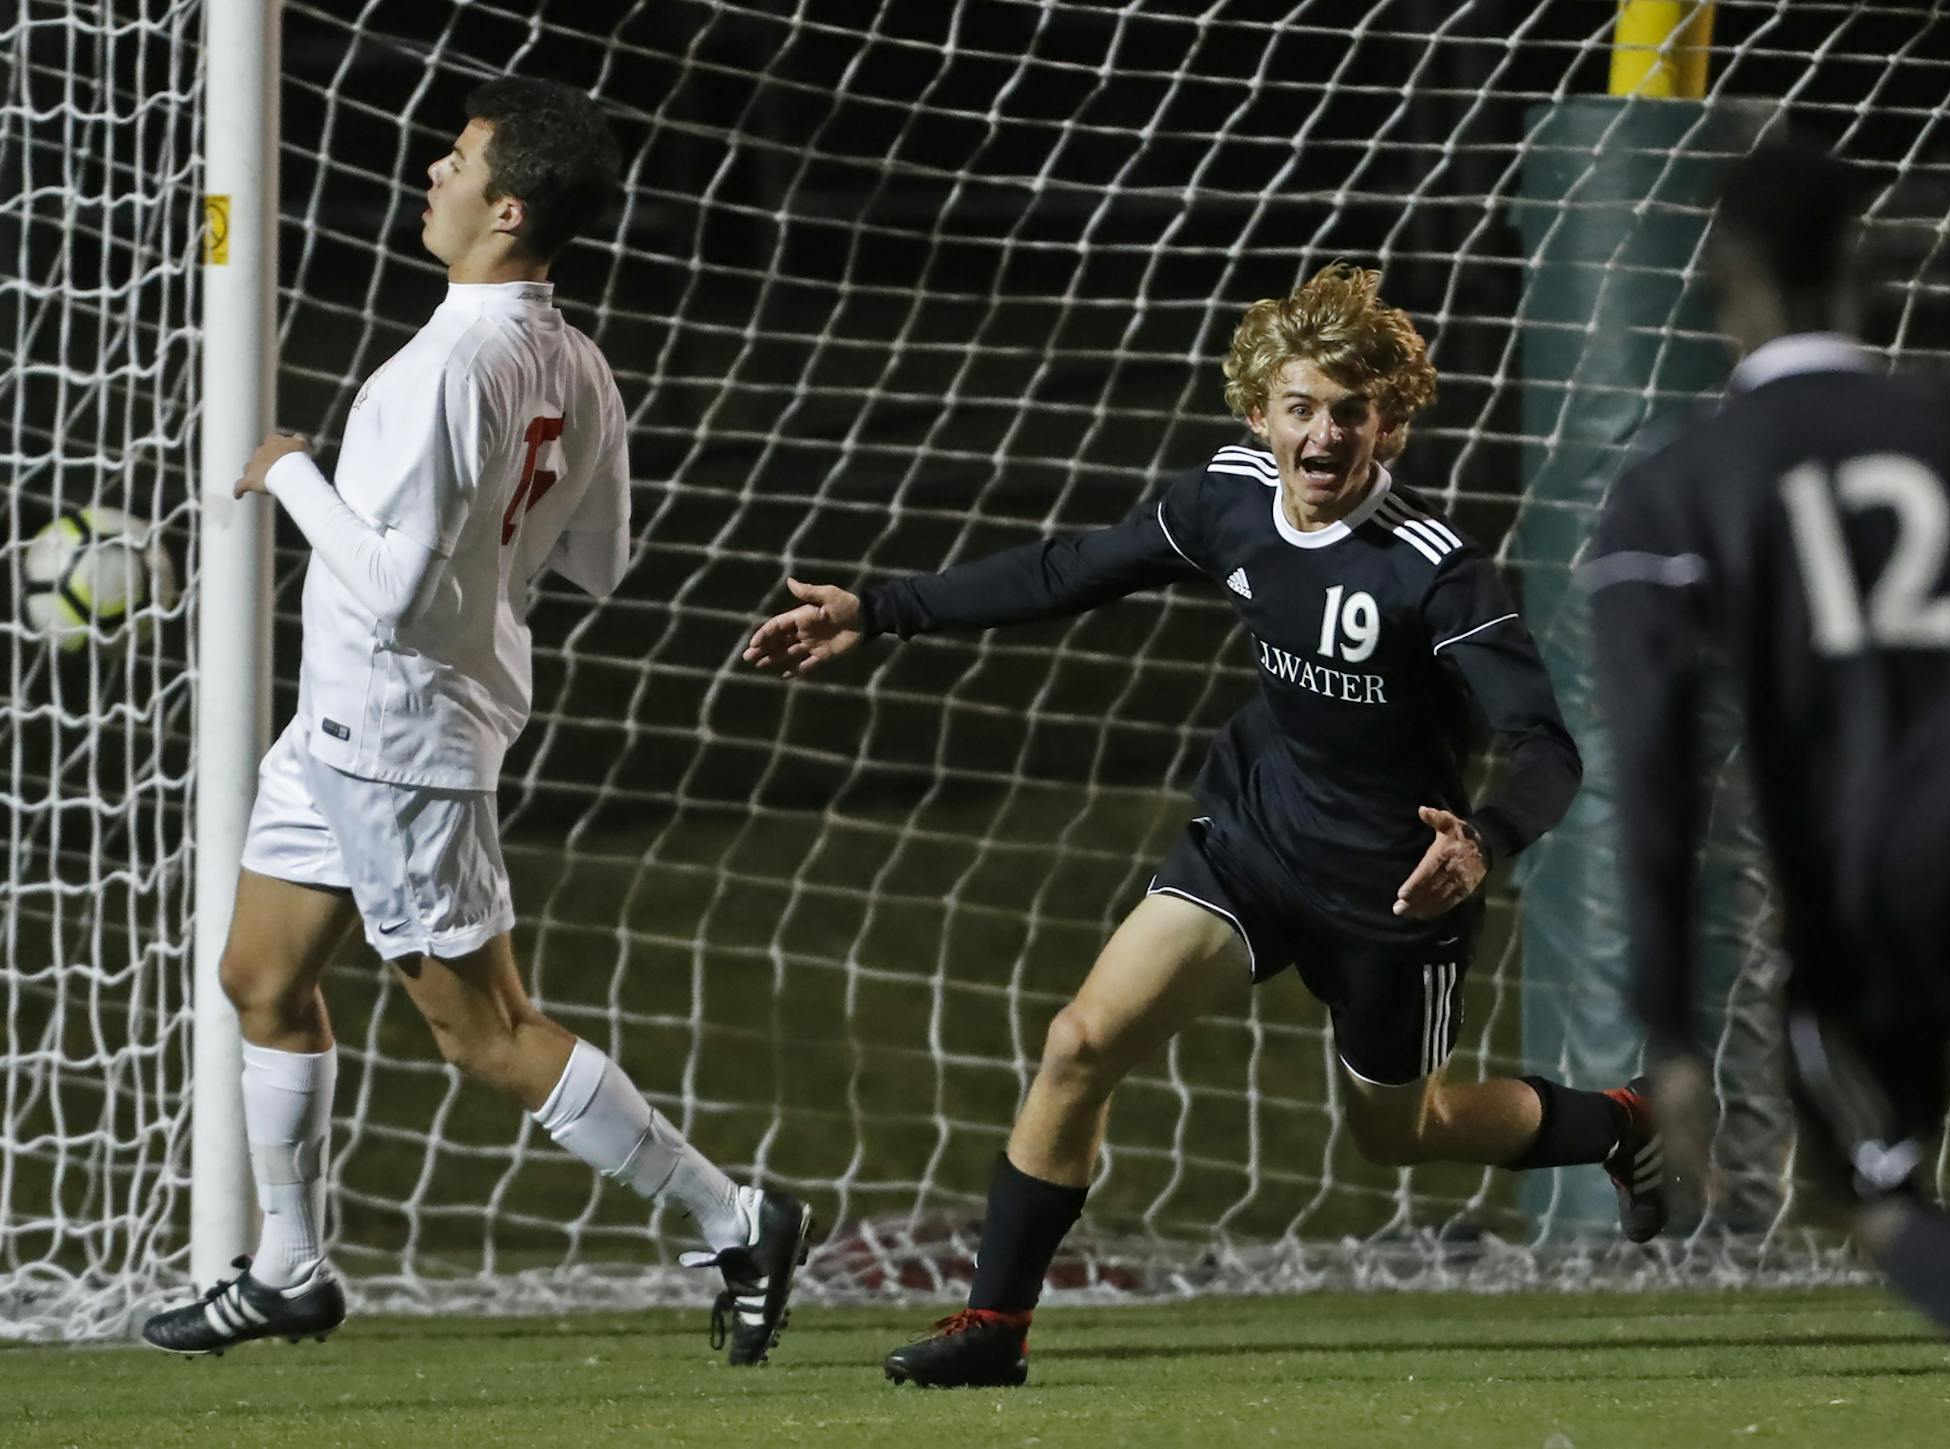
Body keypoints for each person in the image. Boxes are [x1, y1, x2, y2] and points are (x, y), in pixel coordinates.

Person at [746, 263, 1667, 1389]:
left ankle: (1621, 1121)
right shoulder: (1226, 499)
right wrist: (879, 609)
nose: (1323, 434)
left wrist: (1482, 840)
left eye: (1349, 411)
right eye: (1300, 407)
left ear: (1391, 422)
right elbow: (1070, 569)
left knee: (1398, 1133)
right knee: (1080, 1043)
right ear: (1258, 415)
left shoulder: (1438, 577)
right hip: (1255, 842)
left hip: (1393, 894)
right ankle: (993, 1328)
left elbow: (1547, 747)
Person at [144, 77, 810, 1365]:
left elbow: (393, 588)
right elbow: (599, 559)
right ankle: (288, 1268)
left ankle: (732, 1216)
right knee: (260, 978)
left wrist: (292, 473)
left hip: (402, 736)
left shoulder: (448, 364)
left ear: (505, 209)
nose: (430, 177)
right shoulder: (574, 359)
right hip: (348, 726)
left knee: (487, 1034)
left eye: (455, 162)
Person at [1586, 135, 1950, 1449]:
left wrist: (1667, 1022)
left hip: (1870, 896)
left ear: (1718, 281)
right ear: (1861, 271)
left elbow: (1656, 766)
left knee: (1866, 1185)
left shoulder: (1673, 485)